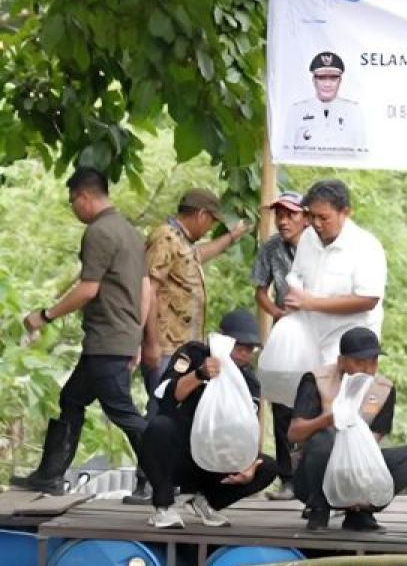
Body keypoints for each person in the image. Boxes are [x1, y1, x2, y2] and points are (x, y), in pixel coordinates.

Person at [12, 168, 146, 494]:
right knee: (71, 399)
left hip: (107, 339)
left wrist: (45, 315)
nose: (74, 210)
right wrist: (137, 336)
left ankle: (164, 477)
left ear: (85, 197)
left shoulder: (99, 232)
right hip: (117, 336)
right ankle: (49, 475)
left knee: (123, 412)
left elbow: (88, 289)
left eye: (73, 202)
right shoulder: (129, 231)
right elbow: (144, 290)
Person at [141, 310, 279, 529]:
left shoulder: (249, 382)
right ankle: (164, 506)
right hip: (180, 451)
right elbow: (166, 396)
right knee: (159, 427)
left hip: (216, 458)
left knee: (267, 467)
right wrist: (200, 375)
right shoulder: (193, 355)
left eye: (249, 349)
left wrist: (248, 464)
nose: (244, 354)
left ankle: (205, 500)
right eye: (239, 347)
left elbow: (247, 429)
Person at [288, 328, 407, 532]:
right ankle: (319, 508)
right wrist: (327, 421)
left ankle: (361, 512)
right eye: (360, 362)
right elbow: (294, 433)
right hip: (313, 475)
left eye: (373, 362)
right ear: (341, 361)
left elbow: (373, 443)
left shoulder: (383, 389)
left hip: (357, 468)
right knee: (325, 438)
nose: (368, 369)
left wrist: (359, 484)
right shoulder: (317, 380)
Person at [143, 187, 250, 403]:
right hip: (166, 346)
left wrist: (231, 237)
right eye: (211, 221)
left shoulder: (182, 242)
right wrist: (151, 343)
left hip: (182, 346)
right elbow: (148, 289)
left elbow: (198, 255)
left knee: (179, 409)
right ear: (201, 215)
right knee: (163, 407)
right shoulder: (166, 237)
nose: (210, 229)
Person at [286, 179, 386, 362]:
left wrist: (312, 303)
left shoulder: (366, 246)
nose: (316, 224)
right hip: (309, 342)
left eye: (324, 218)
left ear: (345, 213)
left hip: (351, 349)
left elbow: (368, 300)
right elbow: (297, 274)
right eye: (311, 216)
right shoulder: (307, 238)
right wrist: (295, 291)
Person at [251, 189, 309, 500]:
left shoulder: (319, 246)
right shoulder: (271, 248)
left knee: (313, 400)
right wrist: (276, 312)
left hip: (315, 331)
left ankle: (312, 477)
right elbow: (260, 289)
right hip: (285, 331)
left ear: (306, 218)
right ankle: (289, 479)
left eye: (291, 214)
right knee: (281, 403)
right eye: (280, 214)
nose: (284, 221)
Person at [286, 51, 365, 153]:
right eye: (322, 78)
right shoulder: (297, 111)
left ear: (340, 80)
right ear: (314, 80)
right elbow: (286, 152)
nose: (327, 84)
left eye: (333, 78)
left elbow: (362, 153)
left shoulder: (354, 112)